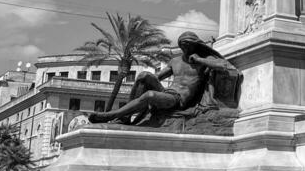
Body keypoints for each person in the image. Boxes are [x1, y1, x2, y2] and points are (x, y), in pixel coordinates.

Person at [88, 32, 238, 126]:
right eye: (183, 45)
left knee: (150, 95)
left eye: (189, 45)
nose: (185, 48)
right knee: (144, 75)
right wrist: (145, 82)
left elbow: (224, 66)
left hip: (179, 100)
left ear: (195, 45)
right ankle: (125, 117)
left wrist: (199, 60)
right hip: (167, 93)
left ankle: (111, 115)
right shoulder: (175, 61)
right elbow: (157, 77)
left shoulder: (204, 59)